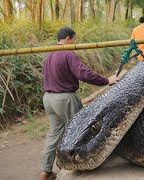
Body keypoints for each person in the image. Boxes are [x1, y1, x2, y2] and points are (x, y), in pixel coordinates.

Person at [39, 26, 119, 180]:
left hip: (48, 98)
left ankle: (45, 170)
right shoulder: (68, 53)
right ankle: (81, 165)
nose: (74, 42)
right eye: (74, 39)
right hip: (64, 98)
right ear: (69, 38)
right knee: (80, 131)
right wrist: (107, 80)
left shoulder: (49, 53)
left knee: (54, 134)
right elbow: (83, 73)